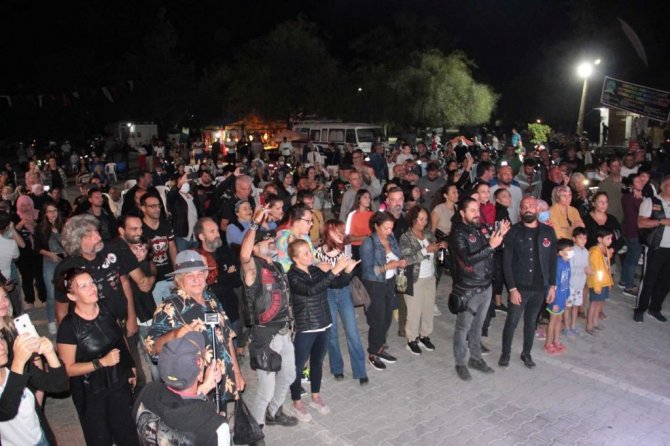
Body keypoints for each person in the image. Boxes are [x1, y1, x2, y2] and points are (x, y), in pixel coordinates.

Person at [145, 250, 245, 414]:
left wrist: (236, 372)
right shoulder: (169, 307)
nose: (197, 279)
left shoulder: (211, 298)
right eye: (190, 275)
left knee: (220, 421)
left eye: (200, 273)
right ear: (179, 279)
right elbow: (152, 348)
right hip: (194, 389)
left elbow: (227, 336)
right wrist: (174, 334)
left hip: (220, 381)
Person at [56, 268, 139, 446]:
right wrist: (100, 363)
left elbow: (119, 338)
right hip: (91, 392)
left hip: (118, 381)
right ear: (72, 296)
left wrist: (130, 366)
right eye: (83, 286)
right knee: (100, 439)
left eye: (91, 283)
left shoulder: (107, 306)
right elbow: (68, 369)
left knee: (128, 434)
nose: (92, 288)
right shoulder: (68, 327)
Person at [287, 239, 357, 422]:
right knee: (298, 365)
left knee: (317, 362)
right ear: (295, 258)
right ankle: (297, 402)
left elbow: (335, 283)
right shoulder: (292, 276)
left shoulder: (314, 270)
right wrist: (333, 270)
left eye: (309, 251)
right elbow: (311, 290)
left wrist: (347, 271)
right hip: (306, 326)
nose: (310, 255)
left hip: (324, 323)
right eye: (305, 253)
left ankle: (315, 397)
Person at [133, 332, 230, 446]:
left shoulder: (148, 393)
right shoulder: (215, 428)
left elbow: (179, 406)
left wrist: (205, 387)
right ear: (200, 375)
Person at [449, 198, 509, 381]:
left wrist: (500, 234)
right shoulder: (458, 233)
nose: (477, 213)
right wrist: (491, 246)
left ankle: (475, 358)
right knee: (463, 328)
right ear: (462, 213)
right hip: (469, 288)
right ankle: (460, 363)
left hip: (486, 285)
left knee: (478, 326)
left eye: (478, 210)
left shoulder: (481, 228)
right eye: (472, 210)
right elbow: (467, 259)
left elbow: (492, 248)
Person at [500, 196, 557, 369]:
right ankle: (505, 353)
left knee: (531, 322)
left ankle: (526, 353)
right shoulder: (513, 232)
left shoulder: (548, 232)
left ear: (537, 209)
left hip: (540, 288)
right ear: (520, 211)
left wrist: (552, 285)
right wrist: (512, 289)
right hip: (520, 288)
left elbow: (552, 260)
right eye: (524, 207)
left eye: (531, 206)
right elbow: (506, 263)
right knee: (512, 321)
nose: (528, 209)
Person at [314, 220, 369, 384]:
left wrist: (347, 272)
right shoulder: (317, 253)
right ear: (327, 232)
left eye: (342, 231)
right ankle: (337, 368)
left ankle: (360, 371)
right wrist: (342, 271)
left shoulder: (346, 249)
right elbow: (325, 282)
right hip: (327, 294)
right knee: (331, 333)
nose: (341, 235)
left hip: (344, 292)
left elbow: (344, 280)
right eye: (337, 231)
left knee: (353, 332)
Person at [0, 331, 68, 446]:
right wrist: (18, 362)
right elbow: (5, 412)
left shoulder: (14, 367)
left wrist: (50, 353)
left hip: (41, 438)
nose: (1, 345)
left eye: (1, 337)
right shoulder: (17, 366)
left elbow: (58, 386)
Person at [360, 211, 407, 370]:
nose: (389, 231)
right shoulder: (368, 243)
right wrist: (387, 266)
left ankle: (379, 348)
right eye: (386, 228)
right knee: (377, 320)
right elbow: (367, 271)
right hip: (375, 284)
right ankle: (372, 353)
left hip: (390, 281)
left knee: (387, 318)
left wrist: (400, 262)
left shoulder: (391, 238)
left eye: (391, 228)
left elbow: (397, 254)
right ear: (376, 226)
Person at [399, 206, 445, 355]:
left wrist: (439, 247)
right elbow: (406, 259)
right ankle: (411, 339)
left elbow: (434, 252)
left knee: (428, 308)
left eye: (426, 219)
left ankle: (425, 335)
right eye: (421, 219)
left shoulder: (428, 233)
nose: (424, 222)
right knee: (414, 311)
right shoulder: (406, 237)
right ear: (413, 219)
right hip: (415, 278)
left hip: (430, 276)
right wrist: (426, 250)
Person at [634, 175, 670, 323]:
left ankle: (655, 308)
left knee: (666, 281)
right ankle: (640, 309)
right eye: (669, 185)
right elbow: (641, 223)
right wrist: (661, 221)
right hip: (656, 247)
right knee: (649, 280)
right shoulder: (651, 202)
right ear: (662, 186)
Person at [140, 193, 177, 303]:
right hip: (152, 278)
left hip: (169, 274)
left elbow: (172, 248)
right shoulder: (140, 229)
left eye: (158, 205)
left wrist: (176, 271)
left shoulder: (166, 225)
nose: (157, 209)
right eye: (152, 206)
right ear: (143, 208)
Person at [35, 202, 65, 335]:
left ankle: (66, 319)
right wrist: (50, 254)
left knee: (67, 291)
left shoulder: (64, 224)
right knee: (51, 293)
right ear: (45, 214)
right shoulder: (40, 228)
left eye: (55, 210)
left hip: (64, 262)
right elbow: (37, 248)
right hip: (49, 261)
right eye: (50, 211)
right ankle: (51, 321)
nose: (53, 214)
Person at [13, 195, 45, 310]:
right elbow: (12, 232)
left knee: (40, 276)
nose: (26, 207)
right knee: (26, 277)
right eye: (23, 205)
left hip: (37, 250)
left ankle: (43, 298)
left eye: (28, 205)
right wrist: (22, 223)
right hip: (23, 253)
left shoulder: (39, 214)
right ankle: (29, 299)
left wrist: (34, 224)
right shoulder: (15, 216)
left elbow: (44, 230)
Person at [545, 238, 573, 355]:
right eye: (569, 250)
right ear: (560, 252)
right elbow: (553, 284)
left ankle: (556, 340)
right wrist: (555, 301)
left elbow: (567, 282)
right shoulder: (557, 265)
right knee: (553, 320)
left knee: (559, 320)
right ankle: (548, 343)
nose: (571, 252)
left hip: (563, 296)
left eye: (572, 249)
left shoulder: (567, 263)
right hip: (555, 298)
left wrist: (567, 296)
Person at [586, 228, 614, 335]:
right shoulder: (594, 252)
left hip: (604, 282)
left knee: (599, 303)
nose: (610, 240)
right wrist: (597, 286)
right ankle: (589, 325)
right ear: (599, 239)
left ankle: (594, 322)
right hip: (597, 283)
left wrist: (609, 282)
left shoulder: (605, 249)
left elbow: (607, 267)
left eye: (611, 238)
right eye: (608, 238)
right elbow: (596, 270)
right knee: (594, 304)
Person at [620, 174, 644, 296]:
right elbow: (637, 215)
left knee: (629, 257)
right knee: (633, 259)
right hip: (634, 232)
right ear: (631, 185)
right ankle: (629, 286)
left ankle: (624, 280)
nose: (641, 182)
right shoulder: (632, 198)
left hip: (628, 231)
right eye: (637, 181)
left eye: (641, 180)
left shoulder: (627, 196)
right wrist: (640, 200)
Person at [167, 172, 204, 252]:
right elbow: (170, 196)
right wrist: (179, 184)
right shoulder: (176, 198)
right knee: (182, 258)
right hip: (182, 236)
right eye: (182, 181)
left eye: (186, 182)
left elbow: (200, 213)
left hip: (195, 236)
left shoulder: (192, 197)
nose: (185, 183)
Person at [275, 204, 315, 272]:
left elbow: (313, 258)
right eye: (308, 221)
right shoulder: (283, 238)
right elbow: (282, 266)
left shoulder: (305, 237)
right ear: (296, 221)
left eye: (311, 220)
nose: (311, 224)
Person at [566, 227, 589, 336]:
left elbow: (586, 266)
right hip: (571, 284)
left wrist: (589, 271)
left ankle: (573, 326)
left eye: (585, 238)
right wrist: (583, 270)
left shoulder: (586, 252)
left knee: (576, 306)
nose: (583, 240)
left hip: (580, 285)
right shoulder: (571, 251)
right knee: (568, 306)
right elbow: (569, 268)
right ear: (574, 239)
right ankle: (567, 327)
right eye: (580, 238)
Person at [344, 189, 373, 260]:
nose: (368, 200)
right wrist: (366, 237)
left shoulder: (372, 214)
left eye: (369, 197)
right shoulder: (352, 215)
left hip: (371, 246)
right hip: (357, 248)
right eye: (365, 197)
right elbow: (348, 237)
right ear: (359, 199)